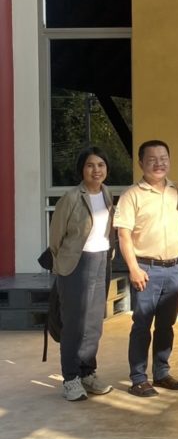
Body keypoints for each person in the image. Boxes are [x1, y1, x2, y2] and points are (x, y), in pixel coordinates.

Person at [114, 140, 178, 397]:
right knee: (141, 325)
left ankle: (161, 373)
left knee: (166, 325)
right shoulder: (132, 195)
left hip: (174, 269)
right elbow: (123, 235)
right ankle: (139, 378)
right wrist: (133, 268)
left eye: (163, 158)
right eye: (152, 159)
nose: (159, 163)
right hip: (145, 269)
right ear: (141, 163)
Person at [48, 147, 115, 402]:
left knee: (94, 323)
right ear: (82, 169)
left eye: (100, 165)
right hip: (76, 264)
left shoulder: (107, 193)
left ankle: (87, 372)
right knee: (74, 324)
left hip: (101, 261)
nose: (96, 170)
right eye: (90, 165)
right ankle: (71, 378)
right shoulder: (71, 197)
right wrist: (62, 266)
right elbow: (56, 237)